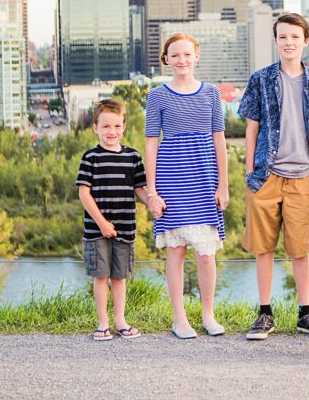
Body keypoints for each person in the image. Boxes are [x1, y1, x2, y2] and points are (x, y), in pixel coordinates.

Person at [238, 12, 309, 340]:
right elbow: (251, 128)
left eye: (295, 37)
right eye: (283, 37)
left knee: (300, 248)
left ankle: (305, 313)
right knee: (263, 247)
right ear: (276, 40)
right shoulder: (261, 79)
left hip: (303, 176)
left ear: (305, 41)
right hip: (267, 175)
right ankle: (264, 313)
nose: (289, 42)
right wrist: (251, 173)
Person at [145, 33, 229, 340]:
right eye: (175, 55)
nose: (181, 60)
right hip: (171, 179)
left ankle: (208, 314)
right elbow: (151, 144)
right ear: (166, 59)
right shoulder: (158, 95)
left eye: (187, 54)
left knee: (206, 254)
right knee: (176, 250)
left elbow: (219, 140)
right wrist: (152, 192)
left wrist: (223, 185)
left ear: (197, 56)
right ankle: (179, 318)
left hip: (204, 178)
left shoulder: (211, 93)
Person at [77, 98, 148, 341]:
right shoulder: (91, 158)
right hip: (97, 231)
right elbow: (83, 193)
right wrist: (102, 223)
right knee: (101, 277)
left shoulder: (133, 157)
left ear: (124, 127)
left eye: (117, 126)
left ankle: (120, 321)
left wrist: (153, 203)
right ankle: (102, 323)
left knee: (119, 277)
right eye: (106, 126)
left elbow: (140, 188)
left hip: (125, 228)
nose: (112, 132)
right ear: (95, 127)